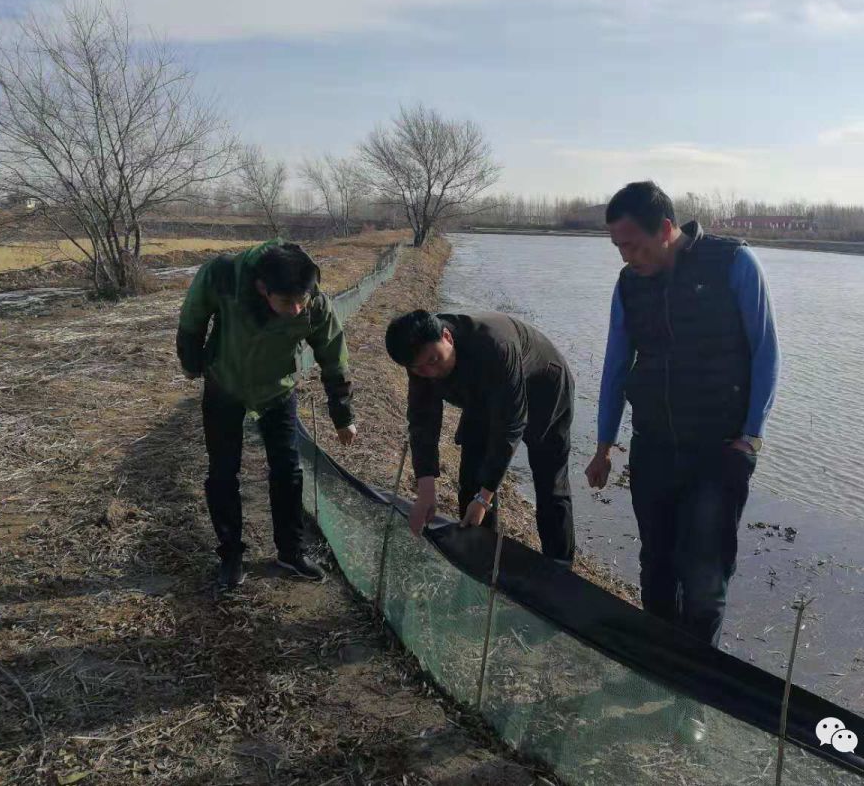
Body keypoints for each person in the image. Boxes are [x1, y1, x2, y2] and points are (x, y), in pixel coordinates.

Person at [586, 181, 780, 648]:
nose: (626, 256)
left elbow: (765, 352)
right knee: (656, 565)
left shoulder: (732, 263)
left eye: (633, 244)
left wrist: (751, 437)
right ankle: (657, 666)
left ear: (667, 229)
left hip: (719, 450)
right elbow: (616, 364)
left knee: (704, 575)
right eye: (618, 246)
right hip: (654, 446)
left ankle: (697, 684)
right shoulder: (630, 285)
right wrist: (603, 446)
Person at [176, 239, 357, 589]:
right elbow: (192, 318)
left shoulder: (313, 301)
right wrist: (191, 362)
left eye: (301, 300)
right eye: (286, 302)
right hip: (225, 383)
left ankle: (291, 551)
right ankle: (230, 555)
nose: (296, 309)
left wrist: (342, 414)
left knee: (288, 468)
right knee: (223, 471)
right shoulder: (223, 276)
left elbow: (334, 354)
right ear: (262, 288)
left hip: (277, 388)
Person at [385, 310, 575, 563]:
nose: (430, 372)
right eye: (419, 369)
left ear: (447, 337)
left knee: (549, 481)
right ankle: (479, 558)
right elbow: (422, 421)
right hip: (482, 396)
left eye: (434, 360)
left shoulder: (494, 346)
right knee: (472, 477)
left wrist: (485, 498)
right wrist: (426, 488)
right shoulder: (420, 359)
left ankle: (559, 565)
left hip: (544, 389)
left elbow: (510, 425)